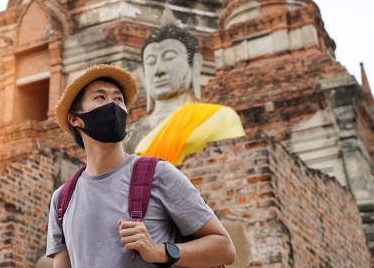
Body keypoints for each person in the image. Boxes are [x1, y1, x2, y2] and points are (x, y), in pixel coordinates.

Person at [46, 64, 235, 267]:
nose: (113, 105)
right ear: (75, 119)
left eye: (118, 99)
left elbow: (224, 249)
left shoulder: (158, 174)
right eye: (100, 97)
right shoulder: (62, 200)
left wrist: (160, 251)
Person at [123, 24, 245, 165]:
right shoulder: (129, 134)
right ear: (144, 73)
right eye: (151, 62)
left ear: (195, 64)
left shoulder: (220, 117)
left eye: (169, 57)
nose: (158, 70)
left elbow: (235, 165)